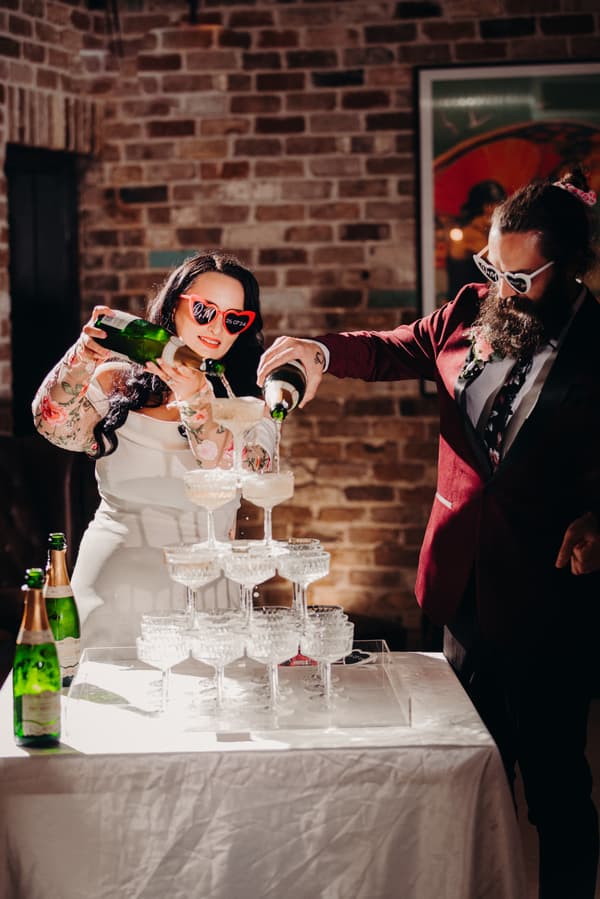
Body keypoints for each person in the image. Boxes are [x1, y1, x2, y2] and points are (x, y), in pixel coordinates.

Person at [257, 169, 600, 899]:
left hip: (551, 600)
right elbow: (391, 348)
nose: (501, 287)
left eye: (520, 275)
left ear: (568, 270)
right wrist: (318, 353)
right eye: (490, 266)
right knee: (459, 773)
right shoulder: (472, 309)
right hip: (460, 584)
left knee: (557, 790)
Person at [33, 251, 276, 648]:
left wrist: (197, 397)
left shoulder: (248, 400)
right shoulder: (117, 382)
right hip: (110, 586)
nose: (217, 327)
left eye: (234, 319)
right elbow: (53, 425)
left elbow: (245, 471)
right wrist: (82, 357)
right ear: (173, 304)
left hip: (208, 594)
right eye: (204, 310)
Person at [446, 179, 506, 298]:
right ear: (487, 207)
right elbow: (501, 262)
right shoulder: (470, 233)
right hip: (465, 305)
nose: (502, 208)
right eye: (499, 204)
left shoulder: (482, 231)